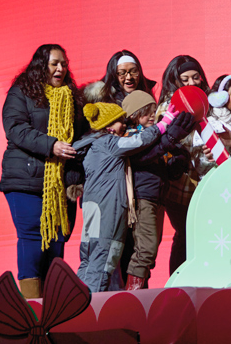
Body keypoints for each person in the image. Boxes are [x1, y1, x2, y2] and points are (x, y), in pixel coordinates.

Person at [0, 43, 85, 299]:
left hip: (59, 185)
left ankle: (51, 309)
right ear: (40, 66)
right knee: (34, 241)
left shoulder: (72, 97)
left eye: (64, 64)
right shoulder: (21, 92)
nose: (60, 69)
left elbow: (79, 137)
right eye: (54, 64)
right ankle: (32, 309)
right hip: (25, 180)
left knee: (56, 246)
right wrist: (52, 145)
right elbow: (15, 129)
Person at [74, 101, 184, 292]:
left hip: (92, 204)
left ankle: (79, 293)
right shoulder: (109, 143)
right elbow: (138, 141)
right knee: (105, 252)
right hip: (106, 205)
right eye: (120, 122)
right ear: (108, 125)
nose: (124, 125)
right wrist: (164, 123)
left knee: (89, 253)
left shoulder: (91, 144)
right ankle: (92, 305)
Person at [121, 91, 196, 290]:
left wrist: (177, 160)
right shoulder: (132, 136)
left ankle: (139, 291)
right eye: (148, 112)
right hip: (143, 197)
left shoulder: (154, 134)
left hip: (158, 197)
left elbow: (162, 159)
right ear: (136, 115)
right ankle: (132, 295)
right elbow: (143, 156)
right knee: (146, 249)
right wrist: (169, 138)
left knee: (150, 253)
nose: (153, 116)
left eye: (154, 111)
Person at [156, 55, 215, 274]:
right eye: (185, 79)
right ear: (175, 81)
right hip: (180, 187)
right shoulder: (168, 108)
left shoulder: (208, 105)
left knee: (206, 236)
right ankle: (178, 284)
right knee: (185, 235)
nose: (191, 84)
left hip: (207, 184)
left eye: (195, 78)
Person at [83, 49, 156, 104]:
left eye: (133, 71)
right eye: (122, 73)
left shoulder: (147, 95)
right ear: (114, 75)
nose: (129, 77)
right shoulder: (103, 100)